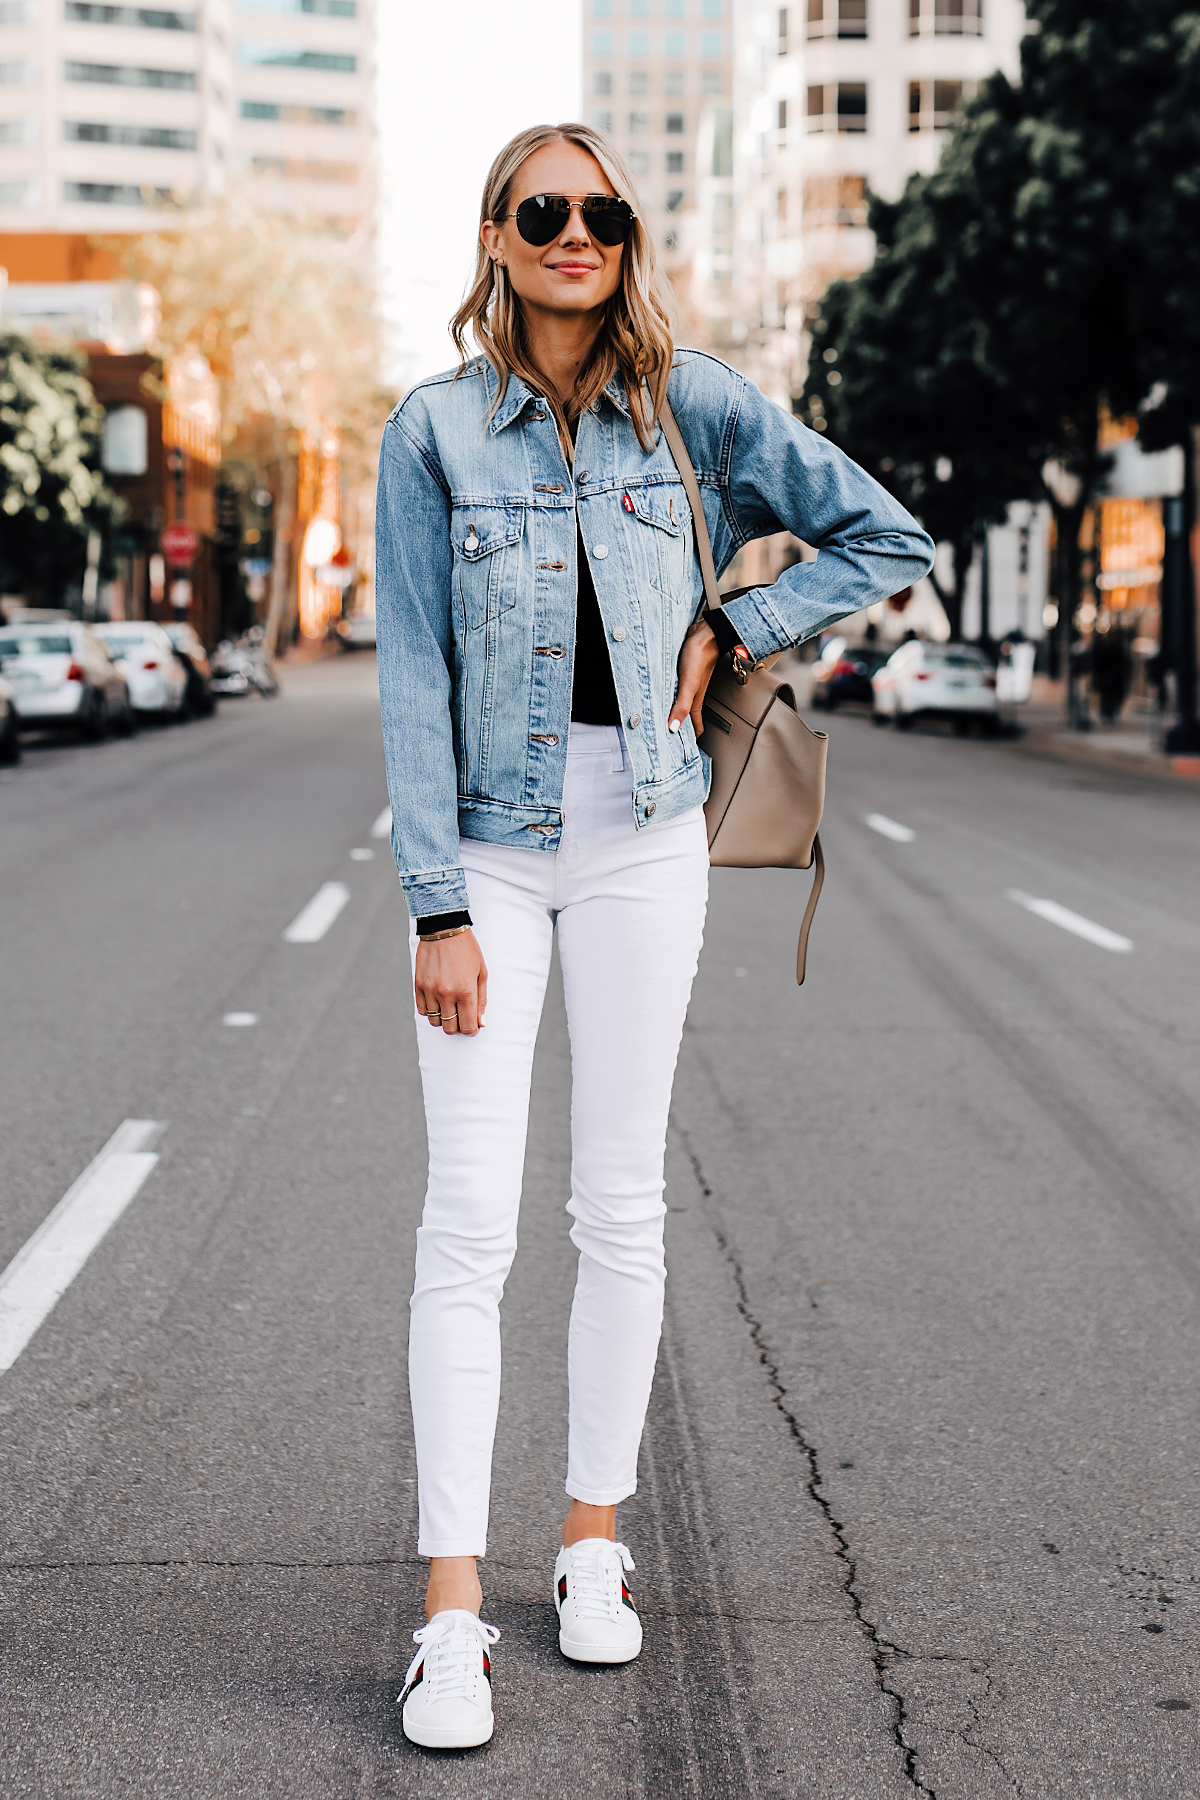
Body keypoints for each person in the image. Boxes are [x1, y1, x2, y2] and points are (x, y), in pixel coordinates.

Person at [375, 121, 933, 1751]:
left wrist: (732, 615)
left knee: (619, 1201)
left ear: (627, 233)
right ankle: (454, 1616)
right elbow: (412, 677)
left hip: (648, 841)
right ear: (494, 234)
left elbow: (881, 534)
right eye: (542, 210)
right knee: (467, 1224)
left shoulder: (692, 404)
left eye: (600, 211)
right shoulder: (433, 435)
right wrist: (435, 905)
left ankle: (595, 1541)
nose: (574, 233)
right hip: (488, 846)